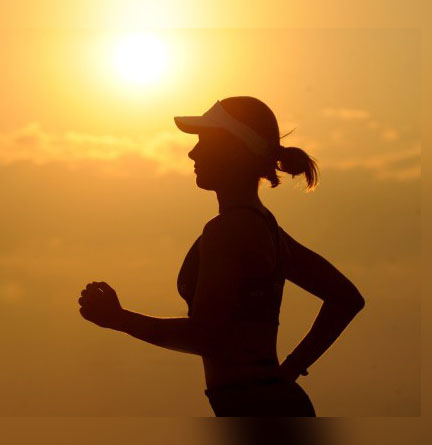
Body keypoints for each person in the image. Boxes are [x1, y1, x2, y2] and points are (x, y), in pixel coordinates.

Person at [77, 96, 365, 417]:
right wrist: (289, 370)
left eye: (203, 142)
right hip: (268, 401)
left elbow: (208, 336)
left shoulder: (228, 229)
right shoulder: (265, 227)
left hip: (254, 409)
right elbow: (345, 298)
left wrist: (119, 319)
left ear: (233, 149)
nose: (192, 152)